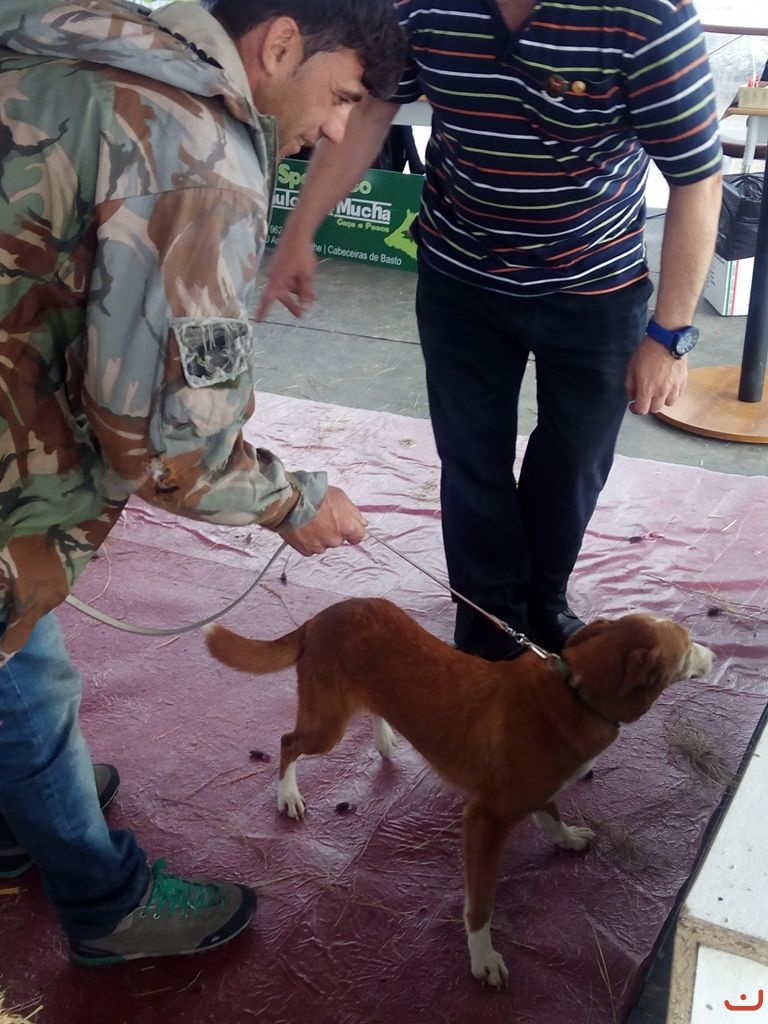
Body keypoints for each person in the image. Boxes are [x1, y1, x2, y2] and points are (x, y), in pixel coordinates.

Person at [0, 0, 404, 964]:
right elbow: (166, 443)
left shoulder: (64, 39)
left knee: (28, 661)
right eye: (343, 95)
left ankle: (23, 807)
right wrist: (292, 500)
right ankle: (107, 905)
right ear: (280, 43)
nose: (337, 129)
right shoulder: (198, 152)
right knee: (19, 669)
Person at [260, 0, 724, 660]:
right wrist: (300, 228)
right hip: (460, 274)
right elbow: (371, 112)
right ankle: (490, 620)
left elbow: (697, 178)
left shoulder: (646, 19)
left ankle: (544, 603)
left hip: (595, 283)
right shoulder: (423, 7)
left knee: (573, 460)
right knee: (471, 455)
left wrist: (670, 335)